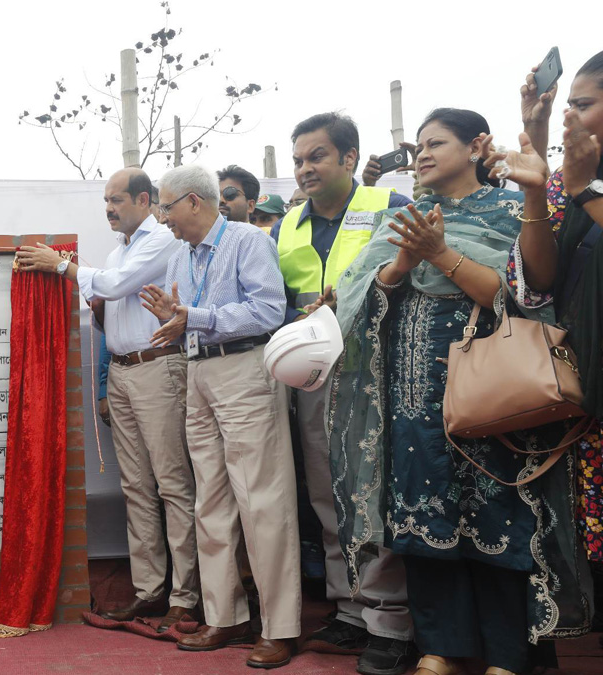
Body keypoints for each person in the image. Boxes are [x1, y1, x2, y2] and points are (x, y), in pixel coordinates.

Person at [329, 107, 592, 675]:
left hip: (490, 385)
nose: (421, 155)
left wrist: (440, 255)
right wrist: (401, 261)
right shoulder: (406, 215)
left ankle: (508, 654)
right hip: (412, 389)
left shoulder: (507, 210)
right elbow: (366, 297)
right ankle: (438, 647)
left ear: (476, 146)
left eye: (435, 144)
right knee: (423, 510)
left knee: (498, 508)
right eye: (418, 146)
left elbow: (525, 294)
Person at [16, 169, 199, 632]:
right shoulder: (120, 249)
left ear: (144, 199)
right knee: (136, 488)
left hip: (159, 367)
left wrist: (62, 265)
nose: (109, 209)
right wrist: (87, 282)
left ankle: (187, 596)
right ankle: (149, 591)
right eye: (105, 201)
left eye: (116, 200)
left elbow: (111, 286)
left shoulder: (162, 240)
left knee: (172, 485)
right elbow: (97, 294)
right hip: (122, 371)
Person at [272, 112, 415, 675]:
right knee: (327, 491)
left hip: (377, 371)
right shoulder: (287, 225)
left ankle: (391, 621)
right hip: (314, 374)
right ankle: (350, 609)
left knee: (372, 492)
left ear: (351, 159)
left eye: (317, 157)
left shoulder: (390, 208)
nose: (305, 169)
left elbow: (418, 282)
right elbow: (281, 299)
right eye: (299, 160)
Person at [139, 163, 299, 668]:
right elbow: (186, 319)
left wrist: (196, 319)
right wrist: (172, 323)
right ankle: (224, 616)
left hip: (247, 371)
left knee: (262, 501)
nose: (161, 217)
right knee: (210, 498)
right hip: (198, 373)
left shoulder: (249, 242)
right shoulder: (179, 257)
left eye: (165, 206)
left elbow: (269, 310)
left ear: (192, 201)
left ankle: (280, 627)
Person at [503, 51, 603, 633]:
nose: (571, 116)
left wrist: (589, 188)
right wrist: (538, 187)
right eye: (568, 104)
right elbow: (538, 281)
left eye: (584, 105)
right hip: (585, 385)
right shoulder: (569, 181)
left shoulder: (585, 184)